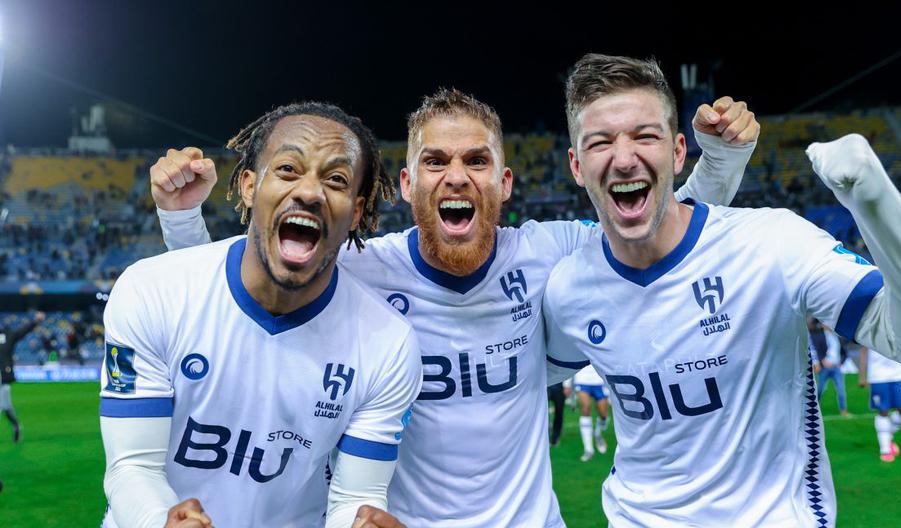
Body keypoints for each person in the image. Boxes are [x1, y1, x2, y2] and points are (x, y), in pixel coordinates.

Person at [154, 88, 759, 527]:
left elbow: (659, 231)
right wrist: (182, 218)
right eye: (436, 162)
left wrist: (722, 160)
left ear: (505, 183)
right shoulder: (360, 270)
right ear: (406, 185)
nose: (457, 176)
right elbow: (242, 292)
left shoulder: (551, 255)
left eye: (476, 161)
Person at [543, 53, 901, 527]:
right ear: (577, 166)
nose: (624, 159)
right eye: (600, 143)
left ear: (678, 152)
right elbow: (506, 384)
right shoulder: (569, 287)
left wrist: (872, 199)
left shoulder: (771, 244)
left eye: (645, 136)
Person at [100, 102, 421, 528]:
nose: (309, 192)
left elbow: (354, 498)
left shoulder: (389, 343)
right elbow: (132, 469)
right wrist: (161, 521)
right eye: (288, 169)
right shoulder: (151, 290)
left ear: (357, 213)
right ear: (249, 186)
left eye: (337, 179)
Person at [858, 347, 901, 462]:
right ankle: (885, 449)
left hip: (899, 375)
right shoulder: (869, 329)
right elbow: (863, 350)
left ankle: (887, 435)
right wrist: (862, 376)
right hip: (878, 376)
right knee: (883, 411)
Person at [1, 311, 45, 443]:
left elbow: (22, 331)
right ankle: (16, 426)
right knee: (6, 407)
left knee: (4, 406)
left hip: (4, 376)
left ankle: (16, 426)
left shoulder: (8, 335)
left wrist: (36, 321)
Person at [809, 318, 850, 417]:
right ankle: (814, 409)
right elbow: (816, 349)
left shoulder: (837, 337)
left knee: (841, 389)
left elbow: (844, 351)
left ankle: (843, 410)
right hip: (824, 368)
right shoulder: (818, 335)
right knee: (820, 389)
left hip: (836, 368)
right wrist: (822, 361)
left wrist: (841, 362)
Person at [573, 363, 610, 461]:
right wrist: (567, 384)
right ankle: (588, 449)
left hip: (600, 380)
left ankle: (598, 434)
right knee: (585, 409)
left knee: (603, 415)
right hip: (582, 379)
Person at [547, 381, 567, 446]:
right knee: (543, 413)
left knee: (559, 411)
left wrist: (567, 385)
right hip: (545, 384)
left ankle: (556, 437)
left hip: (559, 384)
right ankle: (545, 436)